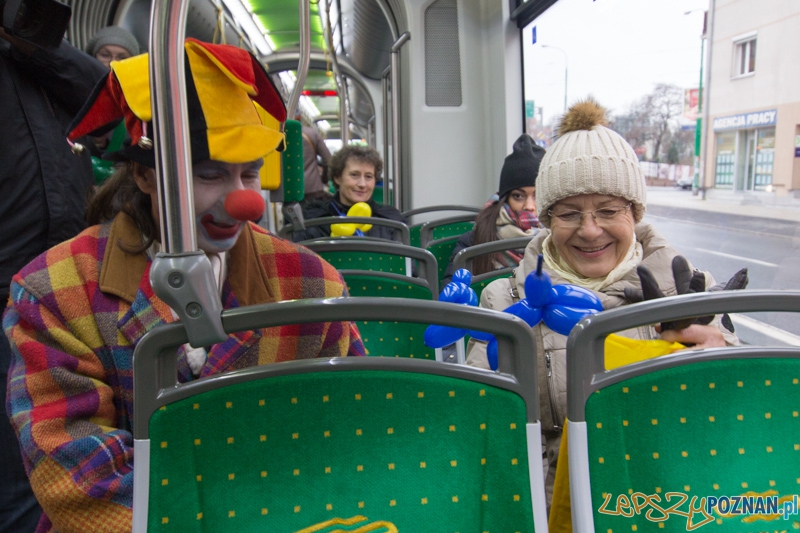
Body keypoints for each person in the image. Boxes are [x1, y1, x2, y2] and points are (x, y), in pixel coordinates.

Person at [3, 38, 365, 533]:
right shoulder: (52, 289)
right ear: (146, 176)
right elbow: (78, 477)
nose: (244, 202)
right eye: (211, 174)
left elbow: (350, 434)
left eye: (251, 173)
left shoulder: (309, 283)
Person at [466, 99, 738, 508]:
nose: (590, 231)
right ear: (548, 219)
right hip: (552, 504)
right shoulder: (505, 299)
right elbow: (484, 430)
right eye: (570, 214)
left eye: (609, 211)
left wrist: (720, 357)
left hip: (671, 496)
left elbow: (738, 418)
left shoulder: (689, 291)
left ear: (635, 213)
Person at [0, 29, 106, 533]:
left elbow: (104, 98)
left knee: (64, 445)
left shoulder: (39, 61)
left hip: (65, 288)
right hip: (6, 283)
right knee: (18, 469)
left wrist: (34, 40)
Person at [443, 134, 545, 284]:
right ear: (505, 199)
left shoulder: (561, 240)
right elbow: (451, 299)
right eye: (518, 196)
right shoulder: (474, 241)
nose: (529, 206)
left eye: (538, 195)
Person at [291, 145, 407, 242]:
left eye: (368, 177)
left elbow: (407, 267)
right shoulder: (313, 220)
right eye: (354, 175)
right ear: (337, 177)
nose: (362, 184)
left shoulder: (392, 221)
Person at [298, 112, 333, 204]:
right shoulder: (311, 133)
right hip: (313, 189)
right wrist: (324, 179)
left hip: (289, 191)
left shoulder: (278, 134)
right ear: (299, 116)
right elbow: (328, 160)